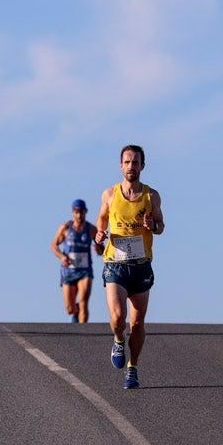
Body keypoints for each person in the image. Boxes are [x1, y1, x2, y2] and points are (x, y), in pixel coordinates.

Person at [94, 144, 164, 389]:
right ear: (121, 165)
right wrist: (100, 234)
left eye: (135, 162)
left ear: (142, 166)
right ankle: (117, 339)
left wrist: (151, 226)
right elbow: (102, 219)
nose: (131, 166)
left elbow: (161, 226)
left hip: (141, 265)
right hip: (115, 264)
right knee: (118, 318)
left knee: (137, 324)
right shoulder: (110, 195)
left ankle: (132, 368)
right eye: (127, 162)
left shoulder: (151, 196)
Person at [51, 199, 104, 323]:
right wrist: (62, 257)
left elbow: (102, 248)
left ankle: (83, 332)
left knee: (84, 302)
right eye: (77, 212)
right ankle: (75, 313)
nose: (79, 215)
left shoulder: (91, 229)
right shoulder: (65, 228)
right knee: (70, 308)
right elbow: (53, 245)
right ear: (72, 212)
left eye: (82, 212)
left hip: (85, 270)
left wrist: (99, 249)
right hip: (68, 270)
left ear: (86, 212)